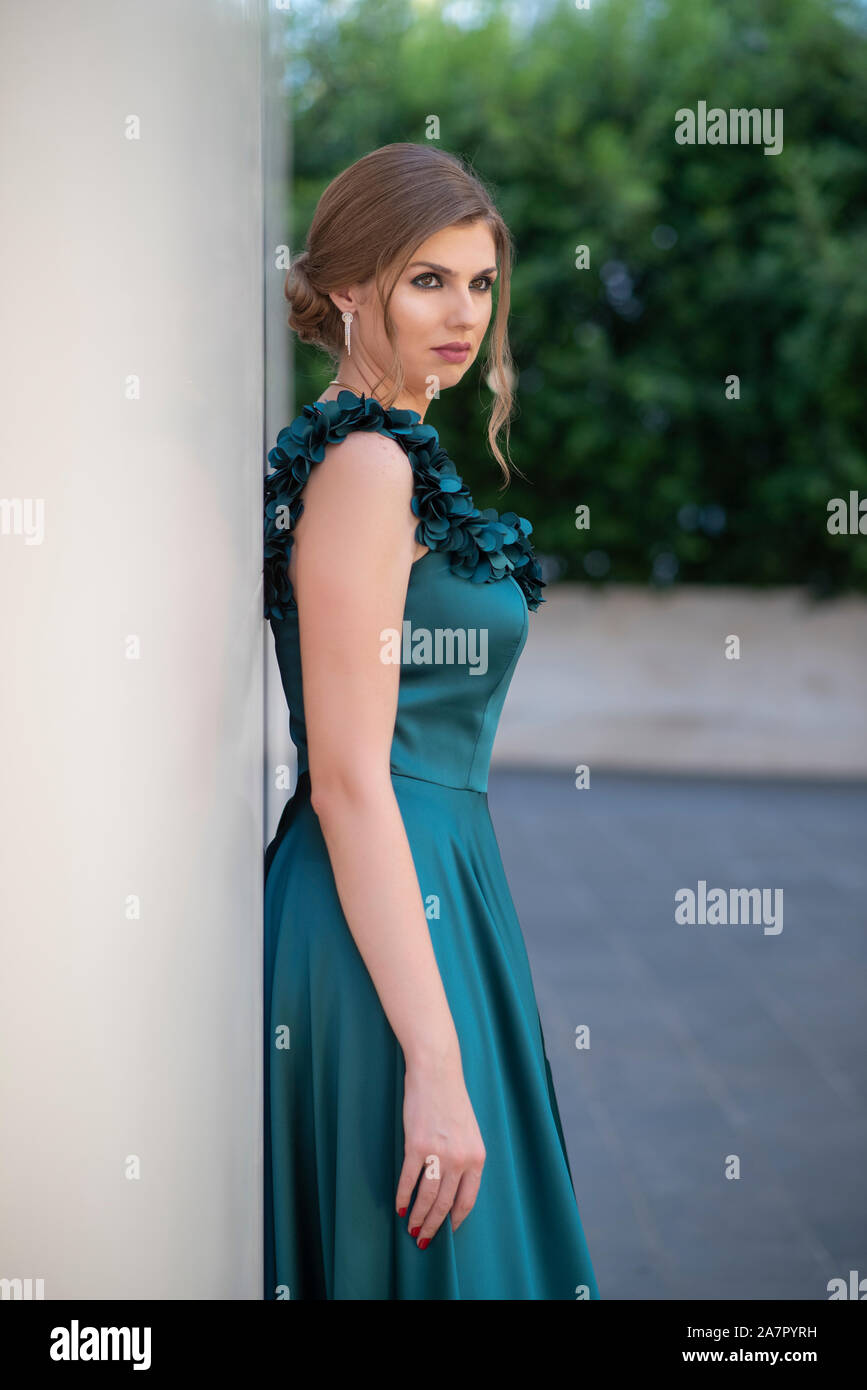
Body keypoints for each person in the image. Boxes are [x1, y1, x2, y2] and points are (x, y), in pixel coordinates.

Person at [263, 142, 599, 1300]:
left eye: (481, 282)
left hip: (427, 886)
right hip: (382, 905)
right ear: (351, 288)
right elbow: (351, 777)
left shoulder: (386, 448)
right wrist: (439, 1059)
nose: (464, 314)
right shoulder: (363, 467)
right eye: (427, 281)